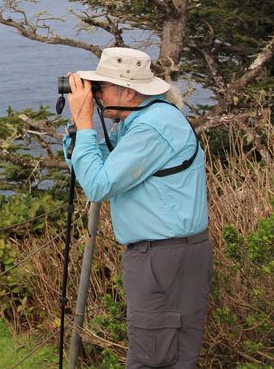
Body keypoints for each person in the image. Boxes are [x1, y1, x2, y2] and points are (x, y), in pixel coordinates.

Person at [63, 47, 211, 369]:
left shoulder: (151, 128)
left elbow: (99, 185)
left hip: (160, 257)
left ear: (128, 91)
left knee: (151, 357)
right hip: (175, 253)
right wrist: (78, 130)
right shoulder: (144, 120)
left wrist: (85, 123)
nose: (96, 94)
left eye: (101, 87)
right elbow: (103, 169)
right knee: (175, 358)